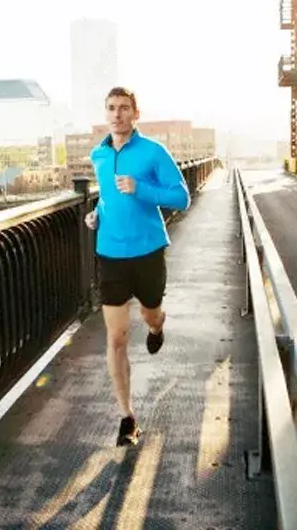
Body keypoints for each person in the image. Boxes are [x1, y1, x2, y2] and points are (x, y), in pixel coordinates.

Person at [84, 86, 190, 446]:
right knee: (116, 337)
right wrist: (95, 214)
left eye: (124, 108)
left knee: (151, 314)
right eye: (111, 108)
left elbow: (181, 196)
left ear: (135, 113)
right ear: (106, 113)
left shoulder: (153, 152)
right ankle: (127, 417)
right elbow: (107, 196)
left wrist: (140, 187)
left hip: (147, 253)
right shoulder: (98, 155)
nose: (117, 114)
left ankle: (158, 329)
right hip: (110, 254)